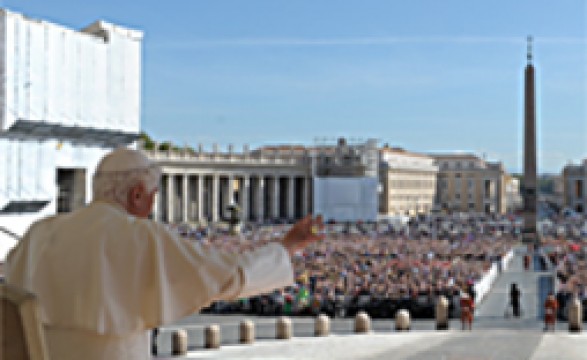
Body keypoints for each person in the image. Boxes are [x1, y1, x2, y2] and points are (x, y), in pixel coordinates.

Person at [4, 148, 325, 360]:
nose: (153, 205)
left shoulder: (40, 233)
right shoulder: (140, 236)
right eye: (153, 196)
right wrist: (286, 247)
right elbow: (227, 275)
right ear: (137, 194)